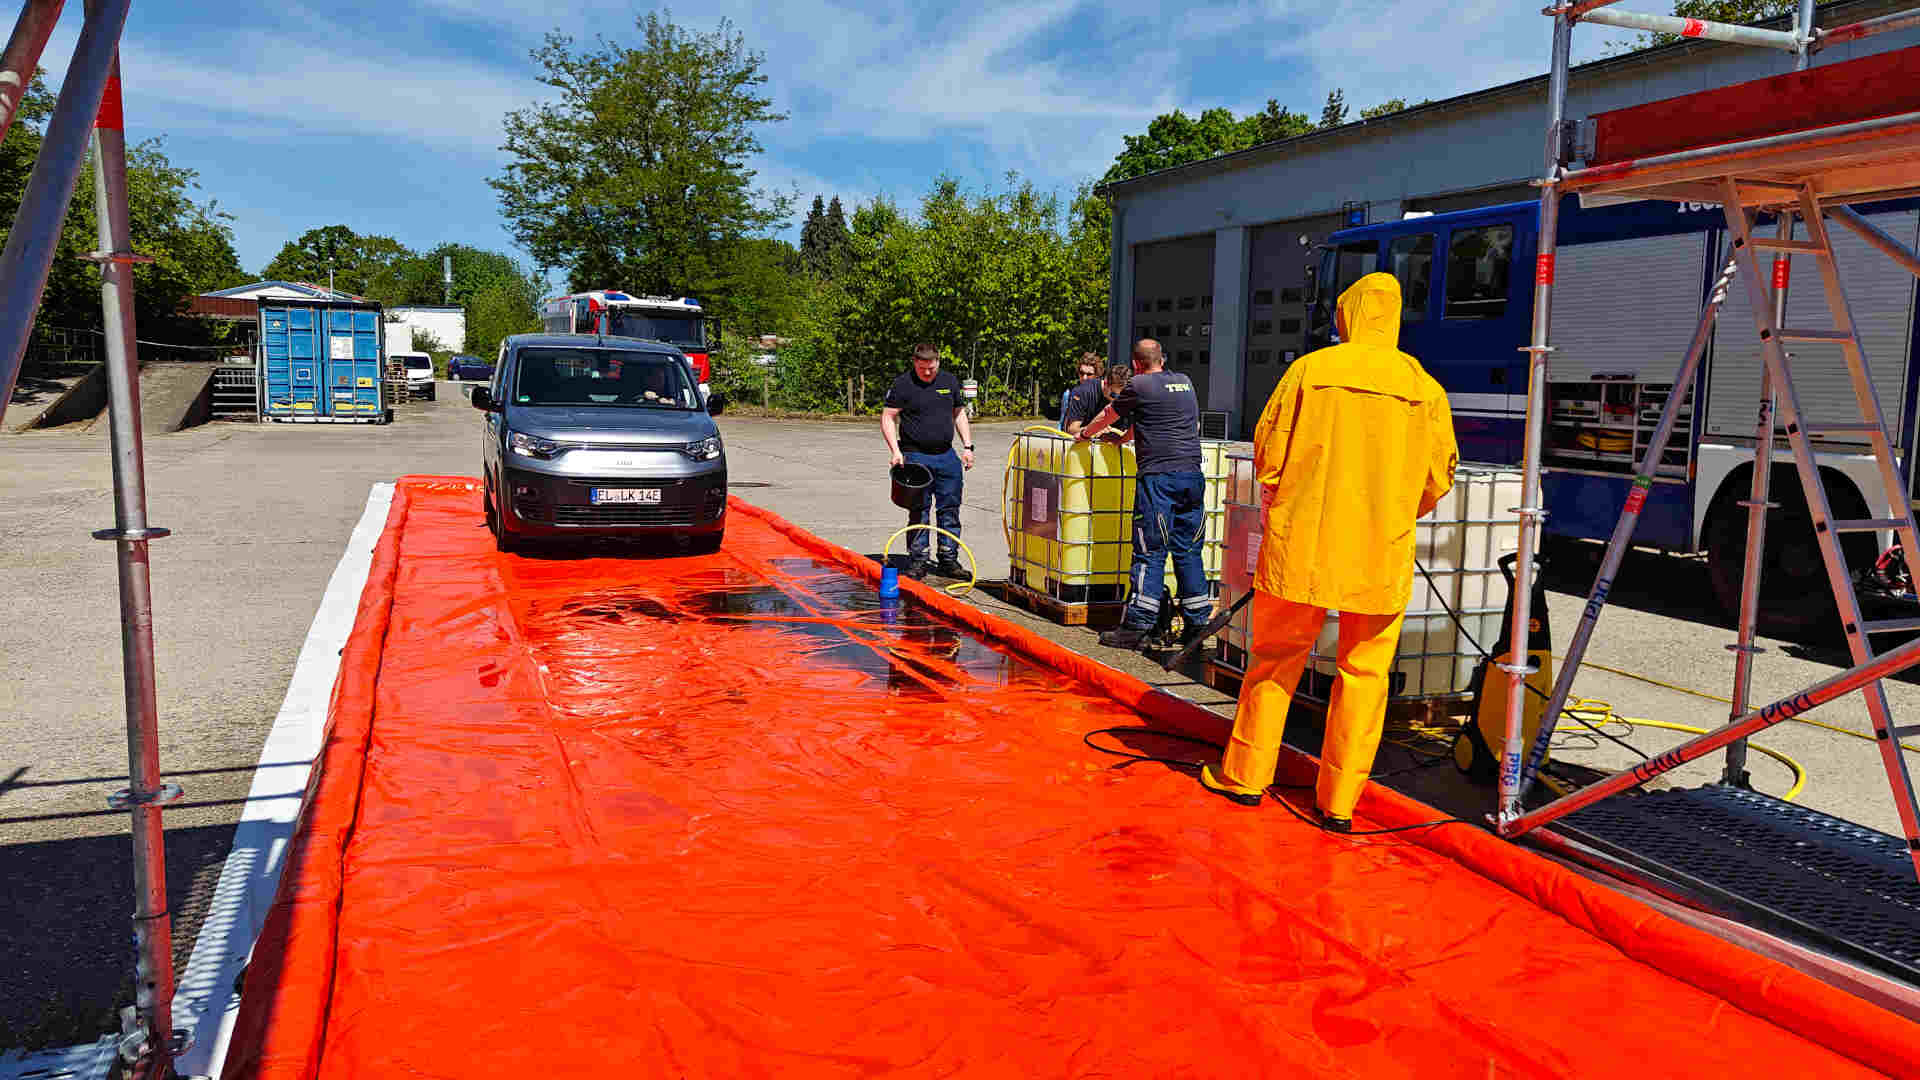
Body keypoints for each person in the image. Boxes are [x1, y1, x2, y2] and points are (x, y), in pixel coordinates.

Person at [1199, 272, 1458, 832]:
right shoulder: (1425, 388)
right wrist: (1386, 513)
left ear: (1347, 316)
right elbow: (1438, 479)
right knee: (1365, 675)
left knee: (1274, 662)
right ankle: (1339, 801)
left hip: (1304, 545)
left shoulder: (1310, 372)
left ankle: (1246, 776)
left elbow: (1267, 456)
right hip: (1379, 551)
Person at [1075, 339, 1208, 651]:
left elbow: (1108, 414)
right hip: (1191, 475)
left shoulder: (1139, 385)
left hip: (1159, 479)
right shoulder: (1184, 382)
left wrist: (1084, 435)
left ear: (1136, 364)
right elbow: (1154, 419)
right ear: (1163, 358)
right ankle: (1198, 621)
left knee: (1150, 549)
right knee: (1188, 550)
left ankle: (1138, 624)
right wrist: (1125, 439)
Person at [881, 343, 975, 579]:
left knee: (950, 509)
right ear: (915, 362)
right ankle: (918, 560)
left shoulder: (949, 382)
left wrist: (967, 446)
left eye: (931, 368)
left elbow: (959, 413)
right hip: (915, 456)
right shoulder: (903, 384)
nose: (927, 373)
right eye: (922, 368)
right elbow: (888, 417)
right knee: (919, 510)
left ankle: (948, 560)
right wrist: (895, 451)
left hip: (946, 456)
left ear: (938, 362)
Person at [1061, 362, 1133, 439]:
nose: (1118, 400)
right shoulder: (1083, 392)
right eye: (1114, 394)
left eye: (1122, 396)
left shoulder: (1128, 397)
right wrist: (1095, 430)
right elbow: (1071, 430)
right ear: (1105, 382)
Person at [1059, 352, 1100, 422]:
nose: (1084, 378)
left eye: (1089, 374)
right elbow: (1063, 421)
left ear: (1097, 375)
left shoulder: (1102, 394)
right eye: (1081, 373)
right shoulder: (1069, 394)